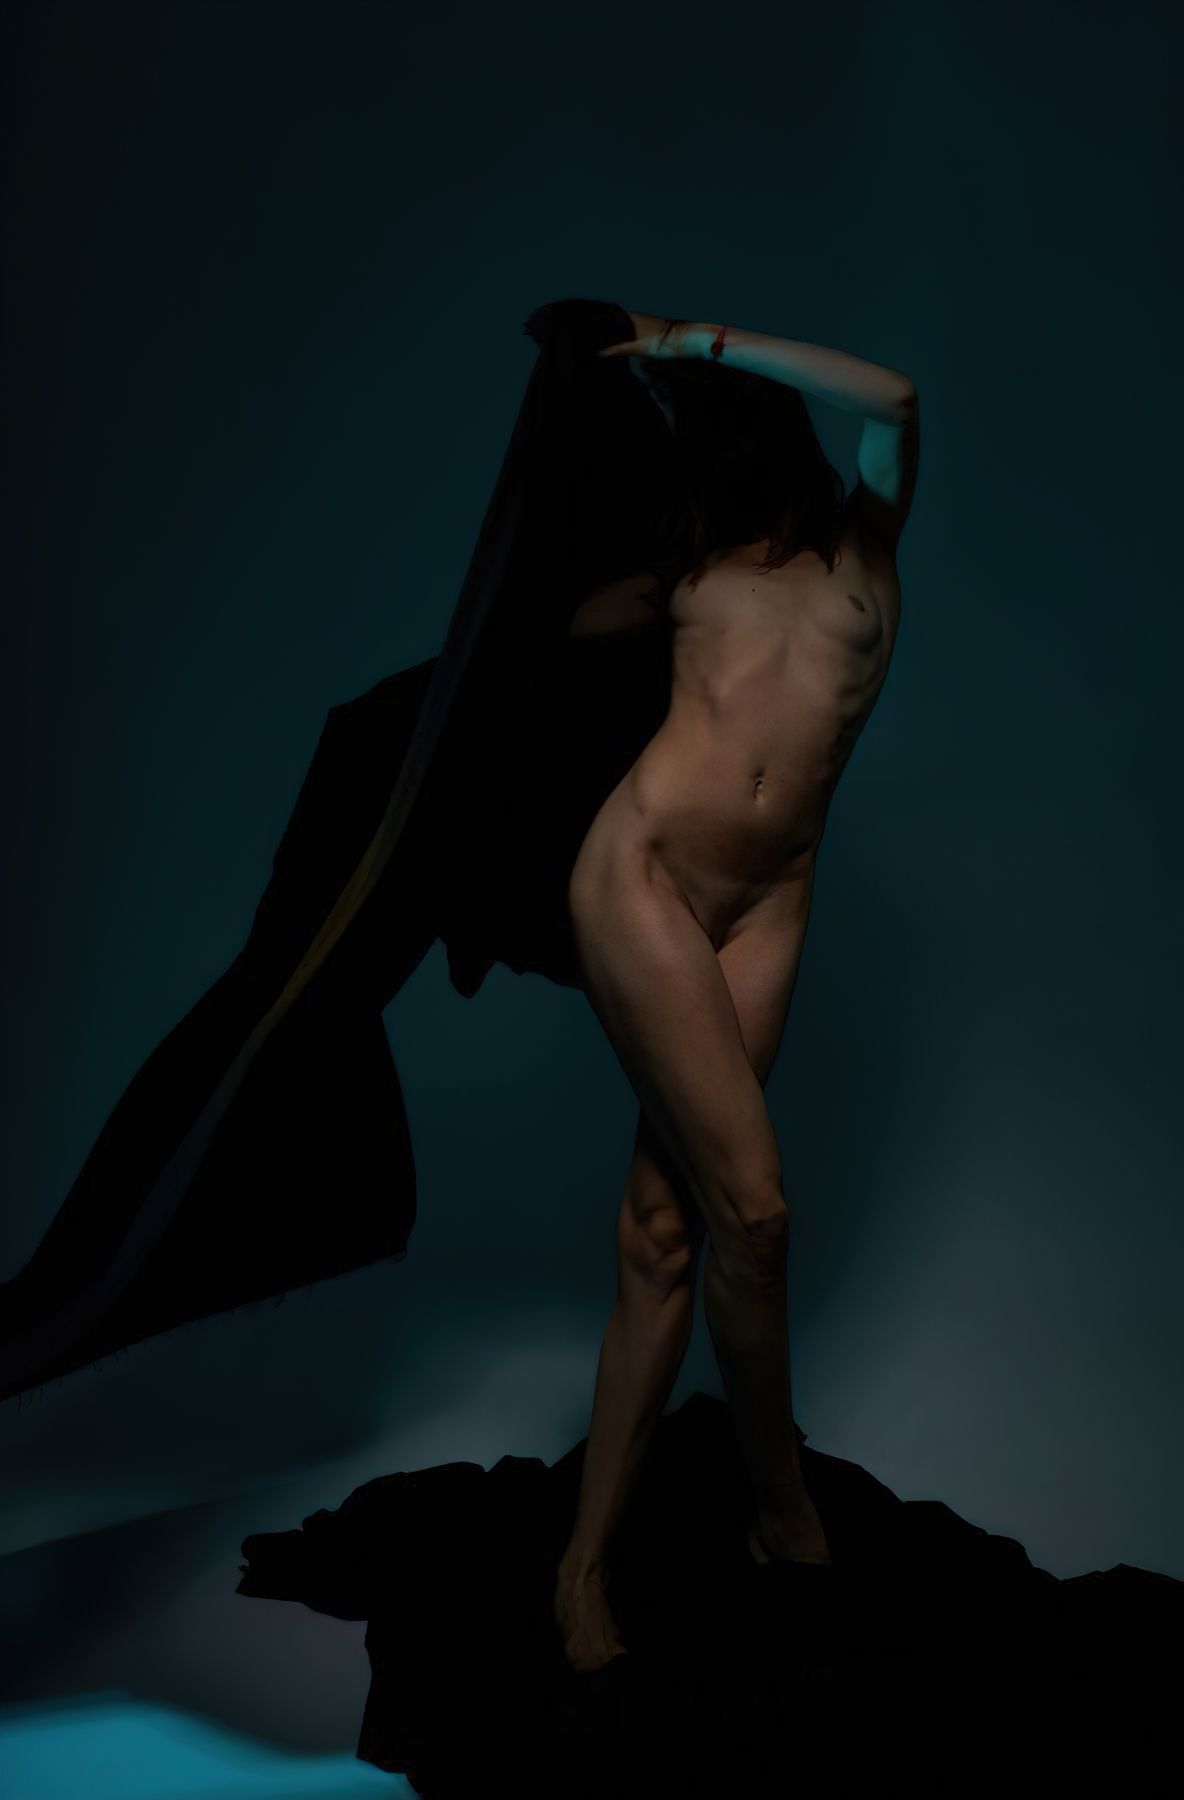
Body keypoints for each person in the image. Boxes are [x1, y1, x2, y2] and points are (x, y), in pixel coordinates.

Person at [550, 311, 920, 1673]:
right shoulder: (684, 567)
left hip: (768, 908)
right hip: (645, 874)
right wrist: (595, 417)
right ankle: (783, 1510)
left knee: (667, 1230)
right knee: (753, 1215)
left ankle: (582, 1566)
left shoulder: (870, 543)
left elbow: (895, 391)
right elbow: (552, 628)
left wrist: (682, 337)